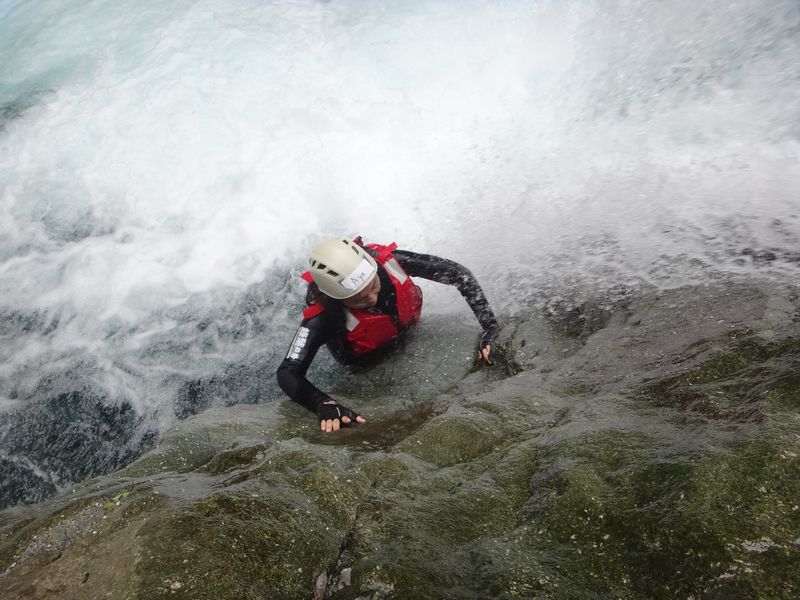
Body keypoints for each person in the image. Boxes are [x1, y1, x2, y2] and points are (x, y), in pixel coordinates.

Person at [276, 236, 499, 433]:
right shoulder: (322, 318)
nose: (372, 299)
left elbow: (459, 274)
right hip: (364, 358)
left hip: (406, 327)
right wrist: (322, 404)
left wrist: (489, 326)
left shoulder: (391, 262)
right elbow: (287, 372)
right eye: (358, 299)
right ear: (336, 298)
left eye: (373, 286)